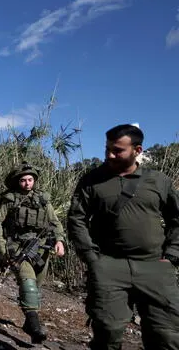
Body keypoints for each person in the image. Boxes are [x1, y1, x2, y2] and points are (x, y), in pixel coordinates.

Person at [67, 124, 179, 350]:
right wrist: (91, 258)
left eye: (117, 150)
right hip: (109, 266)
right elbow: (76, 219)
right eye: (107, 148)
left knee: (167, 336)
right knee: (108, 333)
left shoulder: (158, 181)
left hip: (154, 267)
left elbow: (177, 219)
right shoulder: (92, 180)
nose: (109, 155)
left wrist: (173, 255)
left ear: (137, 150)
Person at [0, 161, 66, 343]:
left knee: (37, 286)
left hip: (40, 248)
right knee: (28, 283)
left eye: (30, 180)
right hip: (18, 247)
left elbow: (55, 222)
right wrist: (4, 250)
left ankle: (28, 319)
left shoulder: (43, 199)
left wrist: (59, 240)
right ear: (17, 182)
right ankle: (35, 326)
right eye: (23, 181)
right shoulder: (10, 199)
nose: (27, 183)